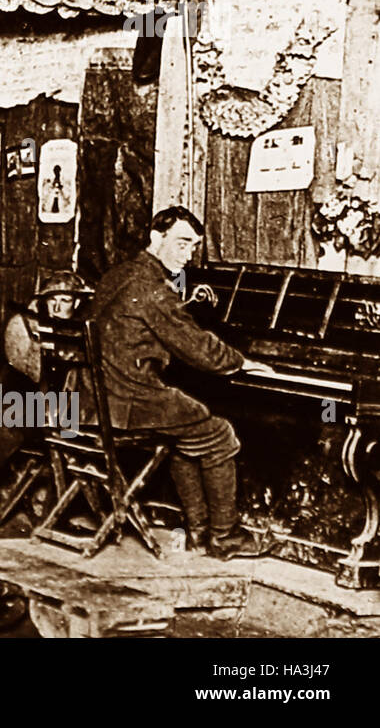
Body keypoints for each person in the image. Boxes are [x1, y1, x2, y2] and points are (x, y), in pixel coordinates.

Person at [87, 206, 274, 560]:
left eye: (193, 247)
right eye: (181, 243)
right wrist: (242, 362)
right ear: (156, 238)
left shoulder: (117, 275)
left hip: (92, 396)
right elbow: (197, 346)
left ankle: (198, 532)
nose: (187, 255)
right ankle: (225, 536)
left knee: (185, 431)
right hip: (127, 397)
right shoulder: (153, 286)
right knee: (219, 434)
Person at [0, 271, 93, 535]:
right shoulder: (26, 326)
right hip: (27, 408)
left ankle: (50, 519)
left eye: (65, 300)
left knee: (13, 433)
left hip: (69, 413)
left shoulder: (86, 333)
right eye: (53, 301)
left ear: (77, 303)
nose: (59, 307)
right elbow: (29, 370)